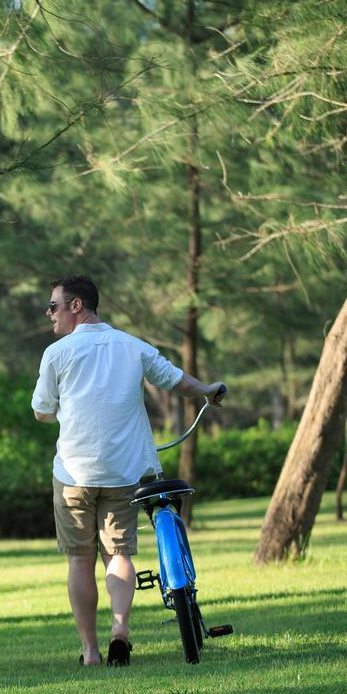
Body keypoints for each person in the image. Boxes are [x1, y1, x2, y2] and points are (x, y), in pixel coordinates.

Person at [30, 275, 225, 667]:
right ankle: (121, 629)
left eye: (53, 306)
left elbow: (40, 411)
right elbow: (177, 381)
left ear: (76, 306)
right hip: (124, 472)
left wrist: (63, 413)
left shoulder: (57, 354)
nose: (49, 315)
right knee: (118, 553)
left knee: (79, 560)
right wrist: (209, 390)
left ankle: (90, 651)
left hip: (73, 475)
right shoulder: (132, 346)